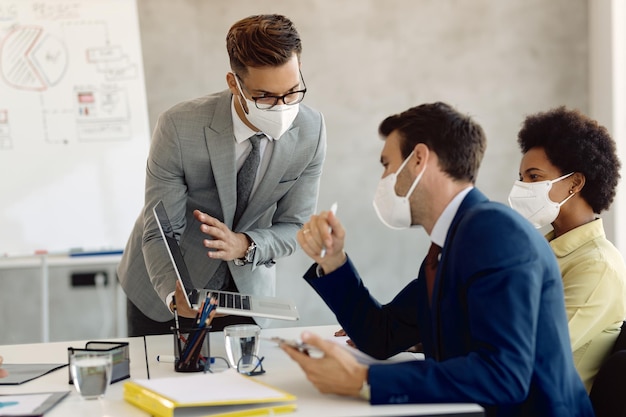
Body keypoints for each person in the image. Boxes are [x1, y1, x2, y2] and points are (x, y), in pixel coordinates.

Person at [281, 102, 594, 416]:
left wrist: (364, 380)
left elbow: (504, 375)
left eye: (387, 164)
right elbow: (383, 335)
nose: (384, 178)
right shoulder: (450, 246)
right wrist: (333, 261)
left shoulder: (495, 234)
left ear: (418, 159)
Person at [117, 14, 326, 336]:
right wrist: (176, 296)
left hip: (247, 291)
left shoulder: (311, 131)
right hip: (168, 288)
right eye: (265, 96)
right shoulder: (179, 126)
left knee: (243, 381)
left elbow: (295, 226)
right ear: (234, 84)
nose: (282, 106)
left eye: (293, 91)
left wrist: (245, 244)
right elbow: (160, 228)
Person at [508, 106, 626, 392]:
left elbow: (534, 348)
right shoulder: (538, 252)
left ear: (575, 183)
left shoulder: (597, 266)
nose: (523, 187)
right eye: (522, 178)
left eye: (534, 177)